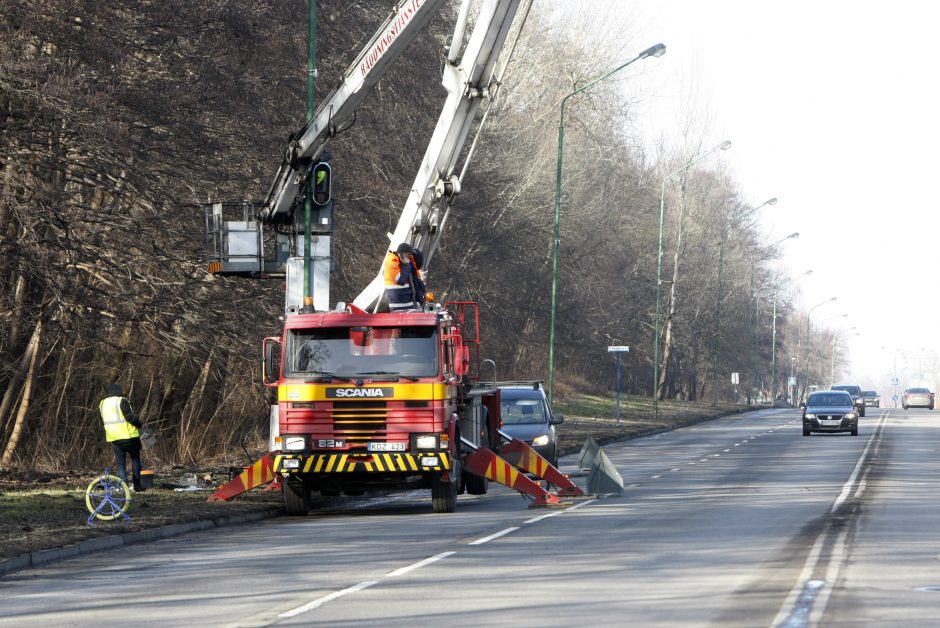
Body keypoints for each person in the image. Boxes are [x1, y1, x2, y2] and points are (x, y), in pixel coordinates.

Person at [99, 382, 145, 491]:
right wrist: (140, 424)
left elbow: (102, 421)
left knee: (121, 464)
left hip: (114, 437)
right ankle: (138, 485)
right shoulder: (121, 400)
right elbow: (130, 417)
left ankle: (124, 487)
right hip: (130, 436)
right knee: (135, 459)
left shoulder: (102, 403)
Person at [384, 243, 426, 311]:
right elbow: (401, 280)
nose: (410, 257)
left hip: (410, 304)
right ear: (403, 254)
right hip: (399, 307)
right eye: (409, 254)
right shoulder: (392, 262)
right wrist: (405, 264)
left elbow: (419, 265)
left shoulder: (408, 263)